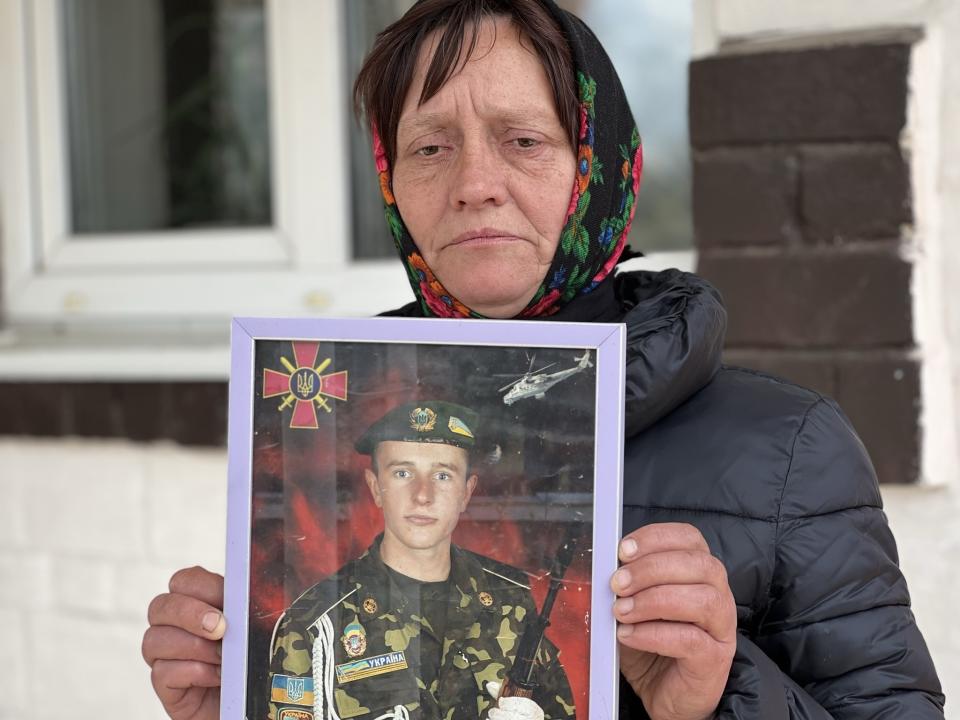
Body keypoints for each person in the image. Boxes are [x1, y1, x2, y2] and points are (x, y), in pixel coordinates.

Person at [142, 1, 946, 718]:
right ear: (391, 182)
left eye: (522, 140)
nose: (474, 184)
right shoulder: (329, 421)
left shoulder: (788, 448)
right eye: (430, 147)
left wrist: (720, 692)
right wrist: (238, 703)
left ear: (596, 164)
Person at [266, 400, 574, 720]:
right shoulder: (317, 621)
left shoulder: (511, 599)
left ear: (467, 492)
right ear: (376, 488)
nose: (423, 495)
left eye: (442, 475)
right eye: (402, 472)